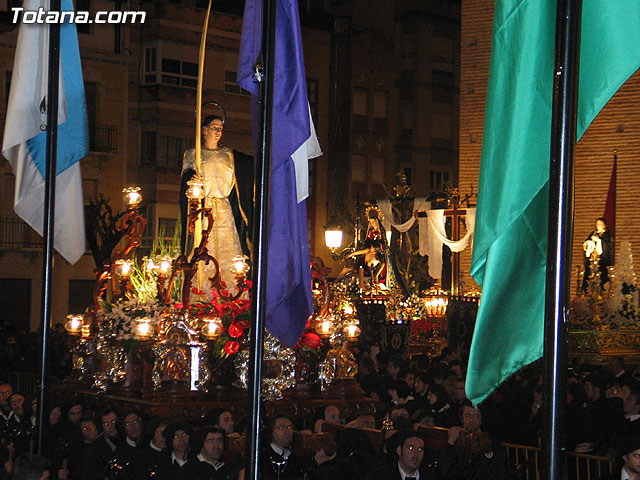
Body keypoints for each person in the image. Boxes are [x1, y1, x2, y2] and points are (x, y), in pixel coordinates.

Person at [180, 114, 253, 296]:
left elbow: (246, 170)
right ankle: (201, 295)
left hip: (224, 208)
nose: (218, 131)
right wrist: (191, 178)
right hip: (203, 210)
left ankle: (231, 294)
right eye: (214, 127)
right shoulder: (193, 154)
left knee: (228, 252)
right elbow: (186, 180)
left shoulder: (229, 155)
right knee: (203, 246)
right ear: (204, 130)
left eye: (220, 128)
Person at [582, 217, 614, 291]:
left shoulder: (607, 236)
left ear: (604, 225)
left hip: (601, 262)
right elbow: (587, 244)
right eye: (597, 224)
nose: (598, 226)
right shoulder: (593, 234)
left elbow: (607, 247)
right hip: (592, 261)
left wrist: (599, 241)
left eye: (600, 224)